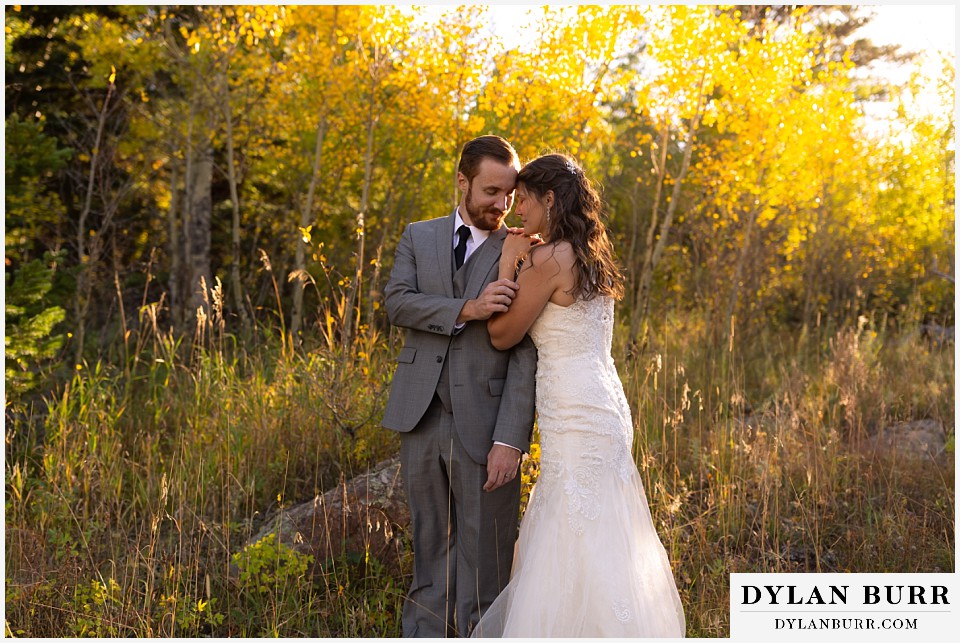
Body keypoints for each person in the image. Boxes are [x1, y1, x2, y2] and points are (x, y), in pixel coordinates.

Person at [472, 153, 686, 637]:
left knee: (573, 522)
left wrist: (507, 265)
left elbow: (503, 334)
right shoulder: (591, 253)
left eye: (523, 200)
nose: (516, 210)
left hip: (573, 405)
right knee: (601, 523)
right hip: (604, 402)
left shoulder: (548, 259)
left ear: (549, 199)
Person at [381, 135, 538, 637]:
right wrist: (467, 309)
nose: (502, 204)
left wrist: (511, 439)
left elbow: (527, 354)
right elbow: (398, 303)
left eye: (510, 194)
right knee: (429, 553)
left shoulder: (521, 250)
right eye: (491, 191)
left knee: (486, 562)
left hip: (486, 427)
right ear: (463, 181)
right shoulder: (418, 236)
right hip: (419, 415)